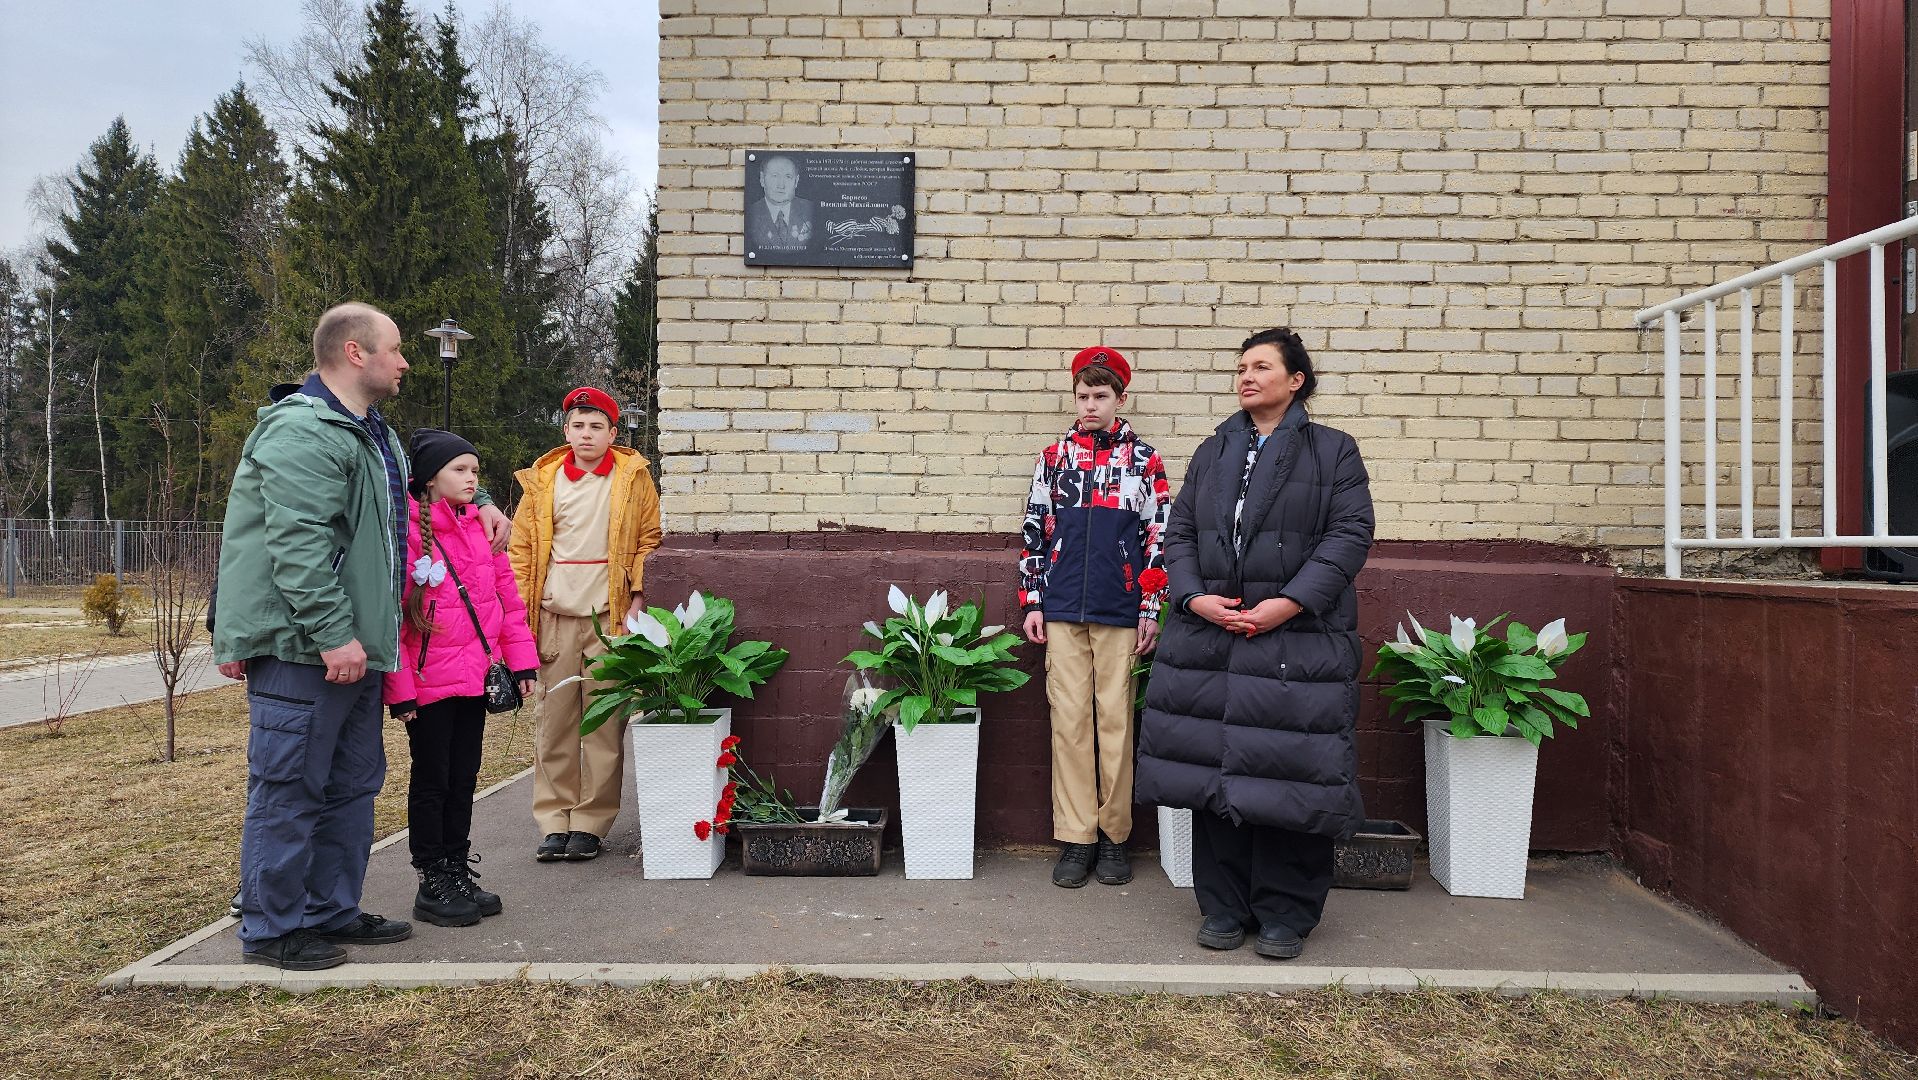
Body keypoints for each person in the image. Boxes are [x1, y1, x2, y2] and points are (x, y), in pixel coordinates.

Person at [1133, 327, 1375, 961]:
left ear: (1296, 380)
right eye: (1241, 366)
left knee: (1292, 773)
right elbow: (1179, 532)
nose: (1246, 376)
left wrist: (1288, 604)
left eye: (1261, 366)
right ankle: (1223, 907)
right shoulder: (1214, 450)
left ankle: (1285, 913)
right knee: (1215, 774)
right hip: (1212, 638)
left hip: (1296, 642)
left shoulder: (1334, 451)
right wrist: (1192, 598)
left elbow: (1349, 535)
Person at [214, 302, 432, 970]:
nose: (404, 362)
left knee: (351, 784)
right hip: (305, 648)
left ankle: (329, 909)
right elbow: (298, 546)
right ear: (355, 353)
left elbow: (394, 511)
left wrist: (480, 504)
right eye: (395, 349)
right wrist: (335, 634)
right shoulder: (303, 430)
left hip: (355, 648)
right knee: (289, 788)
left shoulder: (371, 432)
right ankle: (271, 929)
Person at [1018, 346, 1172, 889]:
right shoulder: (1054, 458)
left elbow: (1159, 538)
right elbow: (1035, 529)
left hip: (1120, 609)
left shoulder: (1144, 461)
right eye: (1082, 396)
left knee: (1116, 722)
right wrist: (1033, 600)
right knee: (1069, 723)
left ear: (1120, 399)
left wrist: (1150, 607)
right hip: (1061, 608)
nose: (1089, 405)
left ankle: (1114, 836)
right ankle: (1076, 837)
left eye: (1100, 396)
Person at [384, 429, 539, 926]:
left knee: (464, 775)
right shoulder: (406, 532)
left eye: (475, 470)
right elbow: (395, 621)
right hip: (429, 684)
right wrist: (400, 691)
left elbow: (507, 602)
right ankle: (431, 877)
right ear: (430, 478)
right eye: (460, 470)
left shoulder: (480, 528)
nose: (471, 479)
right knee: (433, 780)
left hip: (475, 679)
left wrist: (522, 662)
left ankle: (455, 865)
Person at [510, 387, 663, 863]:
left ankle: (591, 824)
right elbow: (521, 551)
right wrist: (520, 618)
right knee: (554, 725)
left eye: (597, 426)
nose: (586, 434)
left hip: (608, 619)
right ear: (566, 431)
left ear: (613, 433)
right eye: (578, 426)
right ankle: (554, 820)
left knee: (603, 725)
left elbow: (649, 540)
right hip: (554, 616)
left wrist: (638, 598)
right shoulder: (543, 481)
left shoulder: (633, 478)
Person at [745, 154, 815, 252]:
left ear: (796, 181)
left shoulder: (812, 210)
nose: (781, 185)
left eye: (788, 176)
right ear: (762, 179)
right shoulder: (750, 214)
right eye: (775, 176)